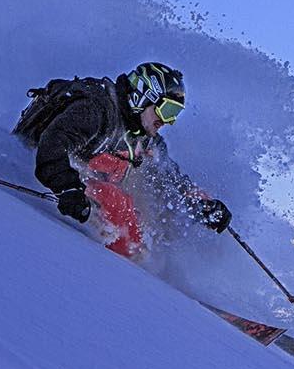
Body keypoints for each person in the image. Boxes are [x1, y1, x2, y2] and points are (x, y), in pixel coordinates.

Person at [15, 61, 232, 259]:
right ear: (144, 96)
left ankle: (147, 271)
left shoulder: (147, 141)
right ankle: (122, 270)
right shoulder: (97, 110)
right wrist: (67, 187)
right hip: (36, 174)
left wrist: (202, 204)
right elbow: (54, 142)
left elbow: (169, 178)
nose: (169, 121)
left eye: (175, 114)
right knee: (116, 201)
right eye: (167, 110)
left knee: (149, 214)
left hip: (81, 188)